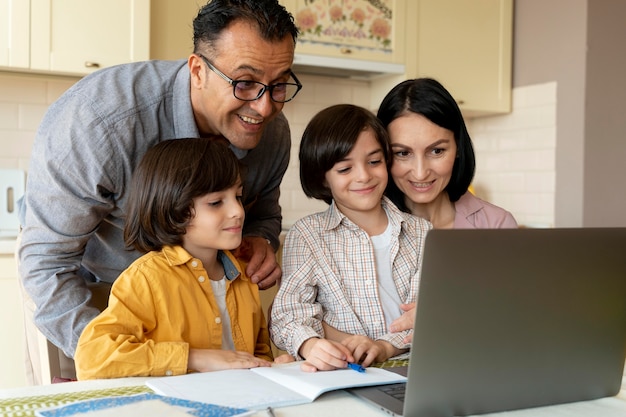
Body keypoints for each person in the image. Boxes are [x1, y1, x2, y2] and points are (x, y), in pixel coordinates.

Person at [17, 0, 300, 383]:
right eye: (245, 83)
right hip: (93, 300)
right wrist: (118, 358)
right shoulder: (101, 122)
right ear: (198, 70)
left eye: (279, 84)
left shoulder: (269, 132)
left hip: (201, 324)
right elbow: (46, 264)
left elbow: (263, 215)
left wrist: (260, 240)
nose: (265, 108)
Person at [74, 138, 275, 379]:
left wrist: (274, 367)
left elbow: (259, 353)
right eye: (215, 202)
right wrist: (193, 357)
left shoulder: (244, 275)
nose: (238, 211)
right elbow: (92, 358)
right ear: (174, 209)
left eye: (238, 197)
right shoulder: (147, 279)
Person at [269, 104, 432, 372]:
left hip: (417, 367)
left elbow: (425, 314)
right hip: (343, 372)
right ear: (323, 179)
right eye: (345, 169)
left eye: (374, 161)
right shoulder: (308, 235)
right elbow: (288, 313)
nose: (364, 176)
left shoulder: (421, 232)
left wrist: (383, 346)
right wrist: (311, 345)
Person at [376, 77, 517, 336]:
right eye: (402, 153)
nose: (420, 172)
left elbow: (514, 317)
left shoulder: (496, 225)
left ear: (458, 148)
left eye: (437, 151)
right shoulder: (364, 227)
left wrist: (446, 312)